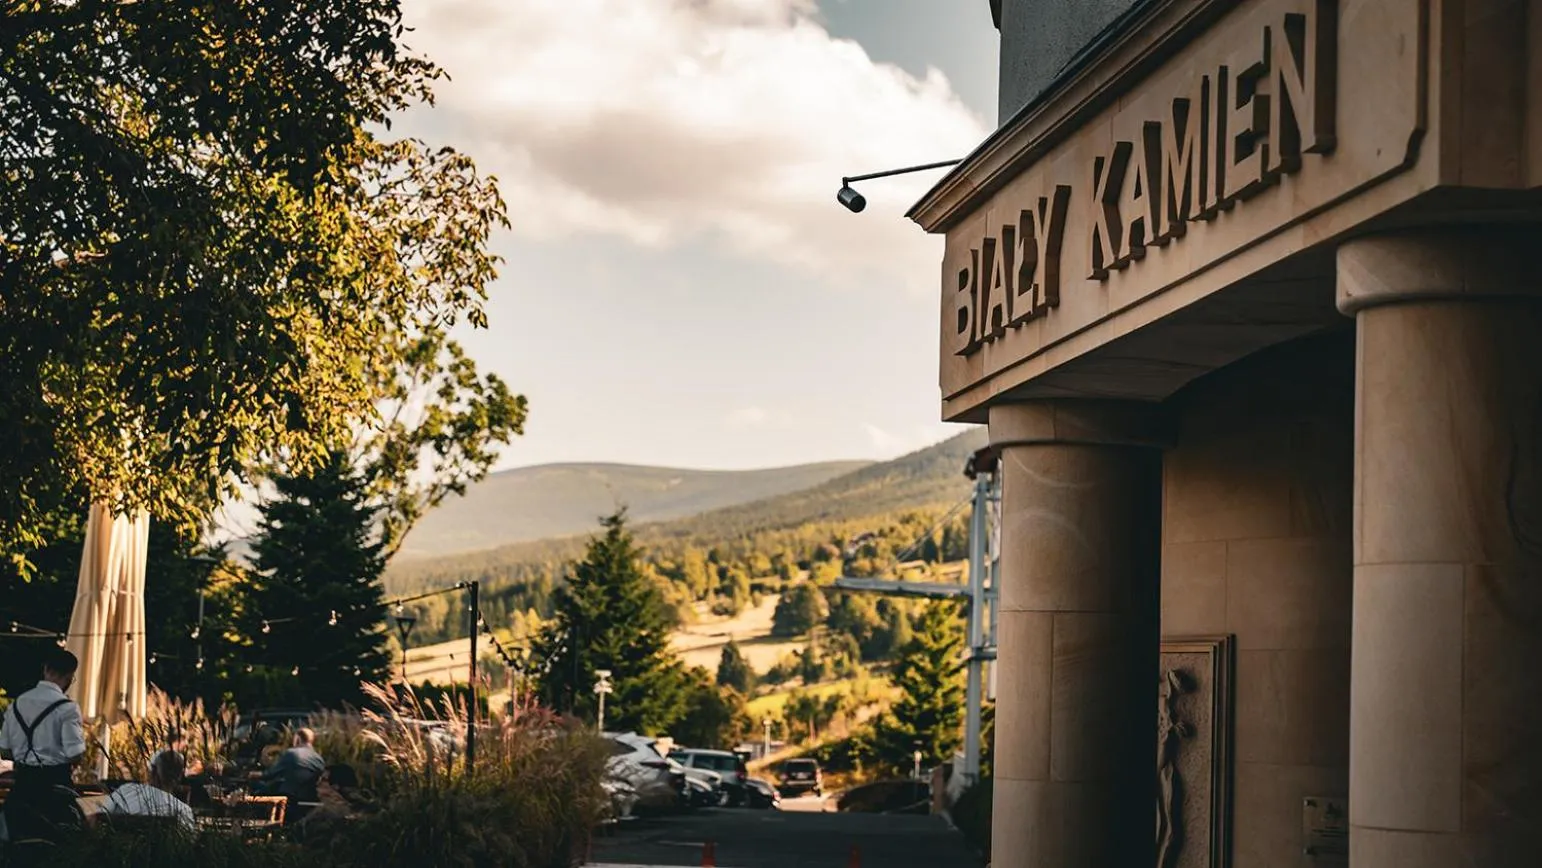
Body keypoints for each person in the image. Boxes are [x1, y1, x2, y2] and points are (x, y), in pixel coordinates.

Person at [0, 647, 86, 843]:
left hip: (22, 787)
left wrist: (26, 755)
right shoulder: (67, 708)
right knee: (55, 848)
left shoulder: (17, 704)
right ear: (70, 676)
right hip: (55, 789)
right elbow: (75, 755)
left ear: (46, 669)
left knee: (20, 847)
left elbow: (4, 752)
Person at [254, 727, 325, 822]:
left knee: (260, 788)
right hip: (309, 797)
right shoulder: (319, 758)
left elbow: (271, 774)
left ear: (297, 739)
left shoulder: (292, 753)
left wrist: (253, 775)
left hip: (289, 798)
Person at [148, 729, 188, 794]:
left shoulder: (157, 754)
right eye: (184, 740)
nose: (186, 743)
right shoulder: (177, 757)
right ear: (177, 741)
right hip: (167, 791)